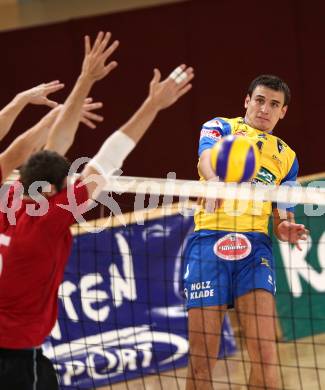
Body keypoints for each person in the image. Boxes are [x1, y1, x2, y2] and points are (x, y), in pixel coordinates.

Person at [0, 31, 194, 390]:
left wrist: (85, 80)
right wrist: (152, 104)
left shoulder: (7, 198)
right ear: (58, 191)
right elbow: (105, 160)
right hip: (14, 356)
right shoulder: (48, 220)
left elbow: (47, 148)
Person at [183, 74, 308, 390]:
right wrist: (214, 181)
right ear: (247, 101)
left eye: (274, 104)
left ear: (283, 112)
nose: (265, 108)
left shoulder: (288, 158)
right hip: (209, 242)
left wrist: (285, 228)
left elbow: (282, 215)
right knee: (201, 362)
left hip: (254, 248)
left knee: (266, 358)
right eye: (260, 100)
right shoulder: (221, 127)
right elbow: (205, 159)